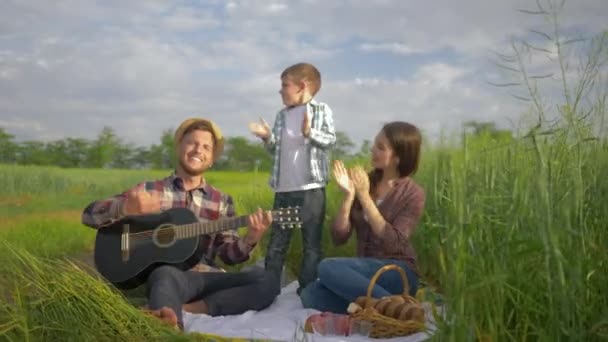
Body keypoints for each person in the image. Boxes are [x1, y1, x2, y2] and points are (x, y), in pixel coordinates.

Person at [82, 118, 280, 329]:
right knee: (165, 275)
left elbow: (227, 256)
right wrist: (124, 209)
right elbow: (89, 215)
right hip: (170, 277)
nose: (198, 150)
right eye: (192, 143)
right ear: (179, 147)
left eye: (206, 147)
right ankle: (169, 325)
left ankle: (190, 309)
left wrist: (250, 239)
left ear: (212, 158)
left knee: (266, 280)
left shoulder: (222, 201)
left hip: (206, 278)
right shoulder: (151, 190)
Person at [299, 121, 425, 313]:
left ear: (398, 158)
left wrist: (364, 196)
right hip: (364, 275)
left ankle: (387, 307)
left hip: (398, 273)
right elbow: (338, 237)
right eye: (374, 144)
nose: (372, 150)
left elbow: (394, 243)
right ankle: (390, 308)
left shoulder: (413, 194)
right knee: (310, 294)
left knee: (327, 267)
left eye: (380, 148)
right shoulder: (367, 181)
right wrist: (349, 196)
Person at [250, 62, 336, 294]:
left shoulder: (321, 110)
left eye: (284, 85)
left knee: (311, 245)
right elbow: (275, 151)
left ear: (302, 85)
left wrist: (310, 133)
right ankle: (268, 288)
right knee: (278, 242)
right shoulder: (281, 116)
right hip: (284, 189)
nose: (281, 91)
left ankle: (307, 292)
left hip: (311, 189)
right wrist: (267, 137)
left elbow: (330, 140)